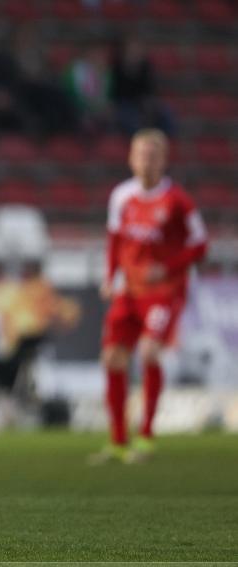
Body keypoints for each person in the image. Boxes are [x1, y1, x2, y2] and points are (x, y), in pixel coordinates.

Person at [91, 129, 207, 464]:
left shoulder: (178, 201)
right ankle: (116, 441)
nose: (145, 160)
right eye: (140, 153)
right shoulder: (121, 196)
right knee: (112, 358)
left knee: (149, 352)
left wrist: (168, 266)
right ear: (130, 158)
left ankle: (146, 437)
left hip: (163, 292)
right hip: (128, 290)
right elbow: (114, 240)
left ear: (164, 160)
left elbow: (200, 245)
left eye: (152, 154)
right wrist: (110, 277)